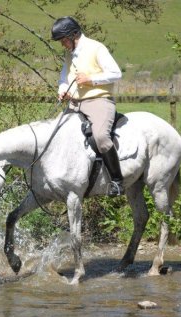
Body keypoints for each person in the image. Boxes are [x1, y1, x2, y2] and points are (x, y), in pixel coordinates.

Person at [51, 16, 124, 196]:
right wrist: (62, 90)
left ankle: (117, 181)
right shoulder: (70, 53)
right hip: (76, 103)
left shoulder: (96, 48)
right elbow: (63, 77)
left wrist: (91, 79)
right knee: (56, 134)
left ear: (74, 34)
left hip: (99, 100)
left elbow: (116, 73)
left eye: (64, 40)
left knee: (100, 136)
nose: (63, 44)